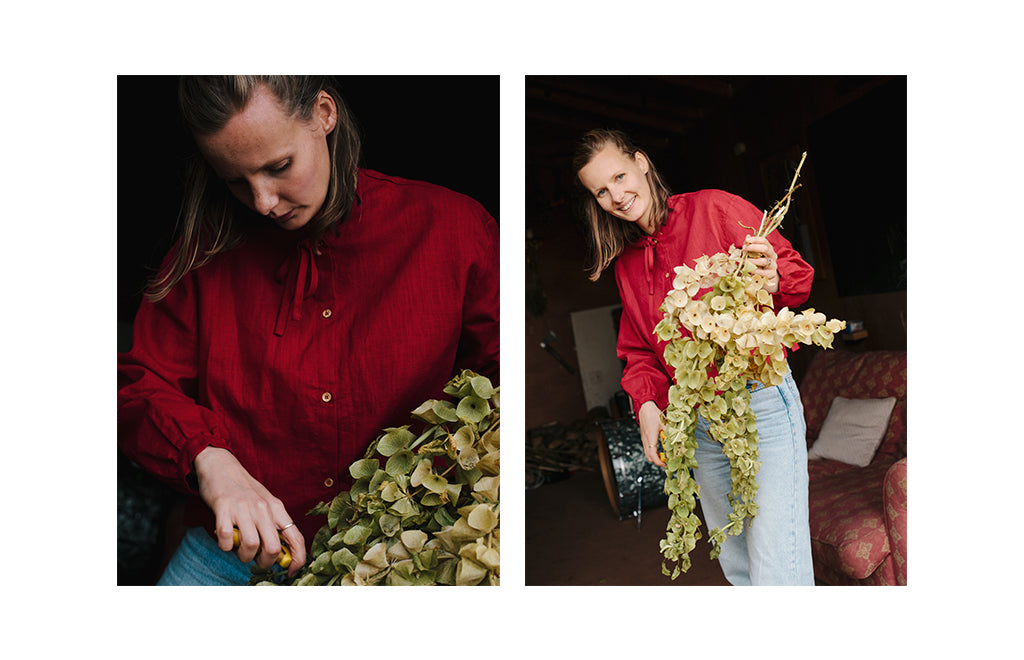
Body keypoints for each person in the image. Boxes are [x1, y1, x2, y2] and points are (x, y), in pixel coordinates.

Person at [118, 76, 500, 585]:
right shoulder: (200, 257)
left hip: (406, 566)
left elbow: (501, 379)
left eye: (279, 167)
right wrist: (209, 459)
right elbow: (138, 385)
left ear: (324, 113)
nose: (262, 202)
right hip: (235, 560)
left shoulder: (452, 229)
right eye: (235, 180)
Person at [573, 129, 814, 586]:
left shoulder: (716, 208)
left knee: (777, 566)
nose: (617, 196)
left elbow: (796, 276)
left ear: (642, 162)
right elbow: (639, 347)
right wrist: (646, 404)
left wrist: (770, 276)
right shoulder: (625, 262)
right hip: (698, 421)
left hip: (758, 401)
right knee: (738, 564)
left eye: (620, 176)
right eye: (601, 191)